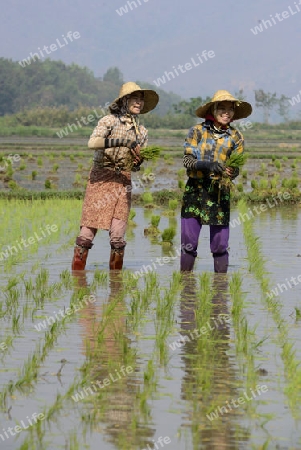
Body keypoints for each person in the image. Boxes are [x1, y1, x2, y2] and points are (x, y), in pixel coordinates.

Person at [71, 82, 159, 270]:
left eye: (141, 99)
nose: (139, 102)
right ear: (124, 100)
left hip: (122, 182)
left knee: (118, 235)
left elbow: (136, 163)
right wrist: (122, 142)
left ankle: (116, 284)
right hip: (101, 177)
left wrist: (137, 162)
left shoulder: (142, 132)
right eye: (135, 98)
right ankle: (78, 277)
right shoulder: (109, 121)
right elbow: (92, 142)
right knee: (87, 231)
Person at [180, 90, 252, 273]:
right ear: (213, 109)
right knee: (189, 241)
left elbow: (236, 167)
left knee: (220, 244)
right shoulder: (197, 131)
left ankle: (220, 287)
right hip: (195, 190)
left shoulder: (236, 137)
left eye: (230, 109)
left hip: (219, 191)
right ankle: (185, 284)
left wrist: (231, 171)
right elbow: (187, 161)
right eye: (222, 108)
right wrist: (207, 165)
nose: (226, 112)